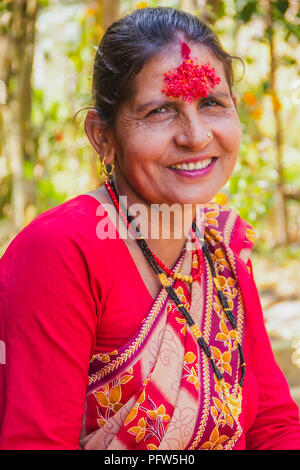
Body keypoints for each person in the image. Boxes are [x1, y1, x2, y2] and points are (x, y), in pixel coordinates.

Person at [0, 7, 300, 451]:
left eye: (212, 103)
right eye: (160, 111)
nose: (196, 136)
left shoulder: (223, 244)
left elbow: (273, 423)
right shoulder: (60, 252)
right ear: (102, 137)